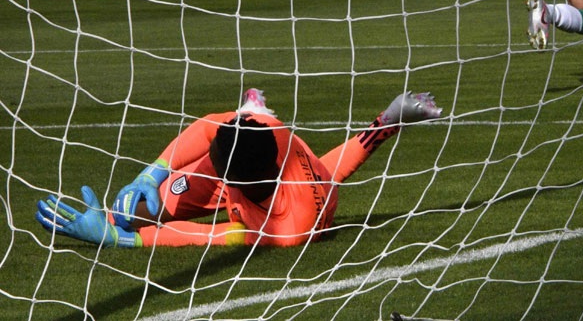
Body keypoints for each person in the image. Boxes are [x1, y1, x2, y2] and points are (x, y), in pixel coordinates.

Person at [36, 88, 441, 247]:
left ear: (229, 179)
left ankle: (389, 122)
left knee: (130, 223)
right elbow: (208, 126)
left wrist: (119, 240)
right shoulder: (273, 132)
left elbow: (204, 236)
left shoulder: (287, 232)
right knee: (136, 209)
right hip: (277, 175)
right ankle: (387, 121)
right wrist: (152, 171)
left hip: (280, 207)